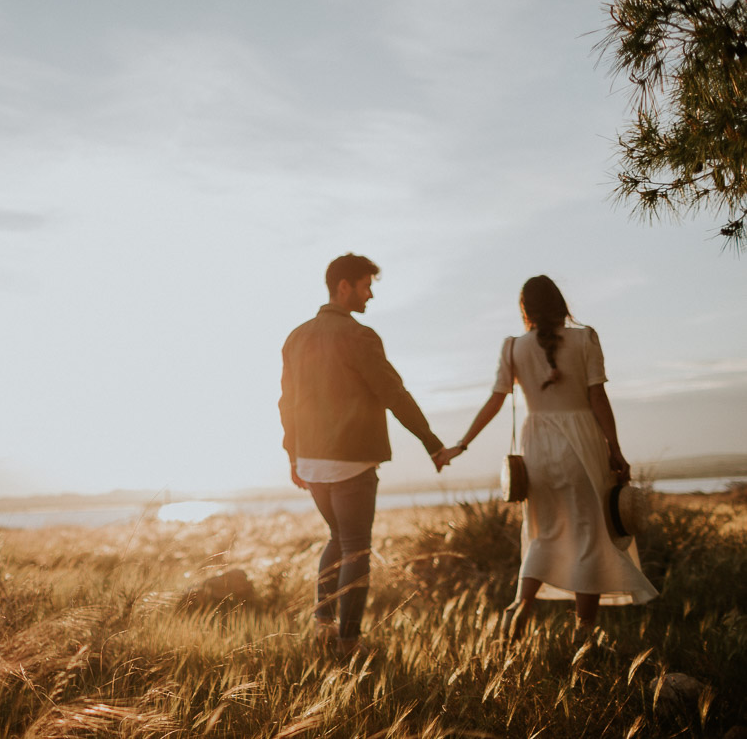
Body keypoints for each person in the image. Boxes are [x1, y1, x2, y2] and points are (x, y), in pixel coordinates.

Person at [439, 275, 657, 640]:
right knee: (589, 533)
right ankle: (583, 631)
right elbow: (597, 398)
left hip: (536, 445)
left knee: (542, 531)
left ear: (525, 309)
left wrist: (461, 444)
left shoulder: (513, 348)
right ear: (560, 303)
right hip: (582, 441)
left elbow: (495, 401)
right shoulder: (585, 337)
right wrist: (615, 449)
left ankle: (522, 604)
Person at [279, 253, 448, 660]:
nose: (370, 295)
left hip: (311, 462)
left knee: (338, 538)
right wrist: (432, 443)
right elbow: (393, 392)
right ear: (344, 286)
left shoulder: (296, 337)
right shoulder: (360, 336)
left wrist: (293, 455)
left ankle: (324, 627)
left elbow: (286, 402)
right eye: (366, 285)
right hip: (351, 460)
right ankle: (348, 642)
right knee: (355, 547)